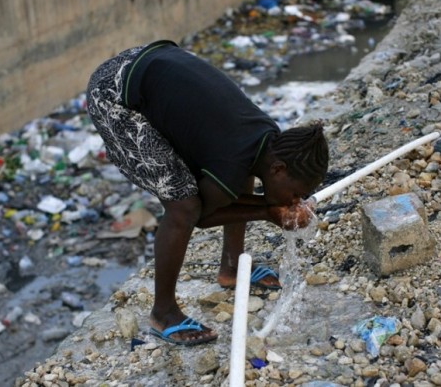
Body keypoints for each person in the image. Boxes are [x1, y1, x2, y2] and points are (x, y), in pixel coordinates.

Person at [86, 40, 329, 346]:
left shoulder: (268, 138)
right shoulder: (232, 158)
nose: (296, 201)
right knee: (182, 206)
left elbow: (231, 187)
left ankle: (231, 266)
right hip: (115, 96)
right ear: (279, 169)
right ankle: (163, 313)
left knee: (231, 181)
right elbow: (201, 214)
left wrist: (269, 205)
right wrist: (268, 212)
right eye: (296, 194)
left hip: (148, 64)